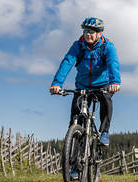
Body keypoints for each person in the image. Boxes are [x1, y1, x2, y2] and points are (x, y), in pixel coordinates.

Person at [49, 17, 121, 147]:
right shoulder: (78, 46)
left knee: (106, 100)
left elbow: (113, 64)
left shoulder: (107, 47)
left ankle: (104, 131)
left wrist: (115, 82)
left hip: (102, 85)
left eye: (92, 31)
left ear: (99, 33)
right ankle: (74, 157)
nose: (88, 34)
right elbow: (67, 63)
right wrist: (57, 84)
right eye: (86, 31)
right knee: (75, 120)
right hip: (82, 86)